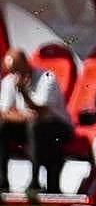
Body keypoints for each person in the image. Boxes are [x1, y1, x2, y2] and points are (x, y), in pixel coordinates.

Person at [0, 48, 74, 196]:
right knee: (2, 127)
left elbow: (40, 112)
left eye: (18, 70)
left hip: (57, 126)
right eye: (12, 71)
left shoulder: (46, 78)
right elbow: (4, 113)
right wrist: (25, 116)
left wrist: (23, 92)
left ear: (26, 64)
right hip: (29, 124)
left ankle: (34, 182)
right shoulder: (9, 81)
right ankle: (2, 181)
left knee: (36, 127)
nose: (16, 75)